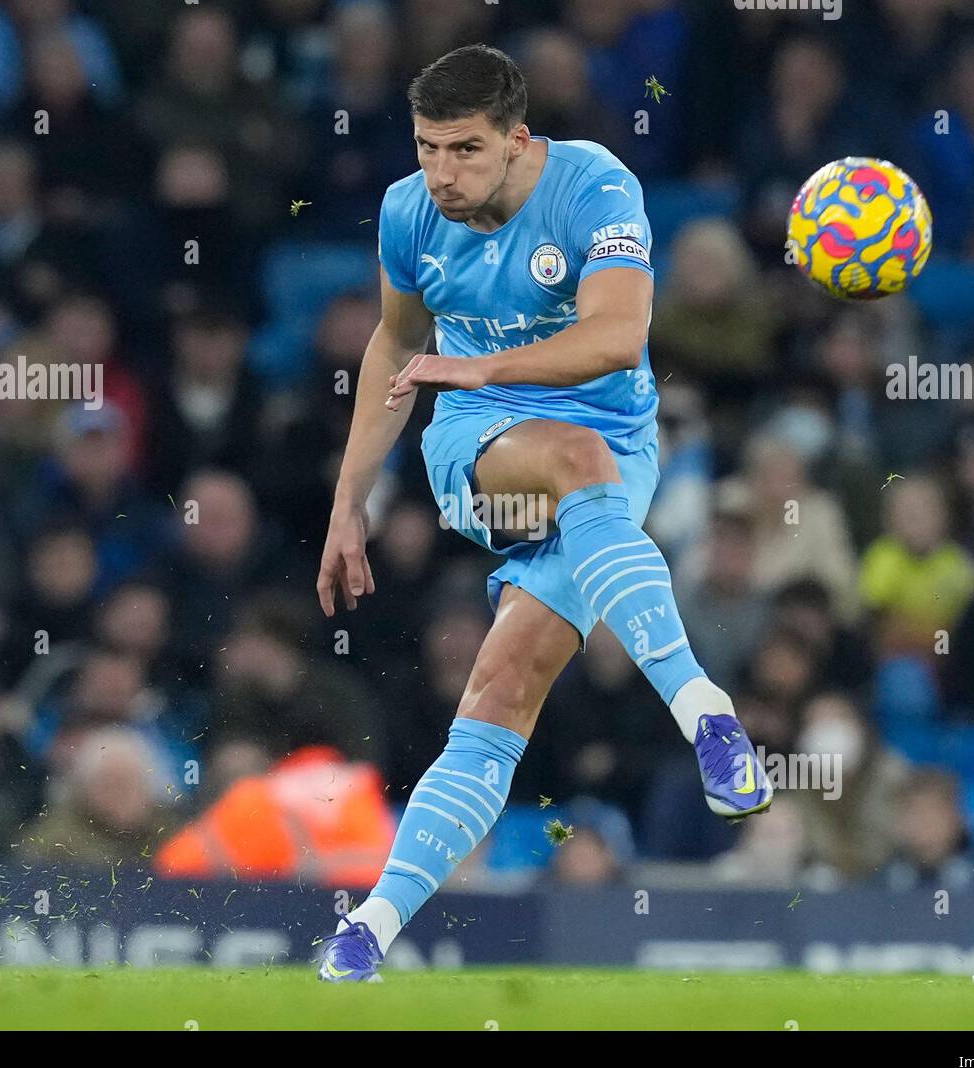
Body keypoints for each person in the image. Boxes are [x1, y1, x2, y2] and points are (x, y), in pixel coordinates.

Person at [314, 44, 771, 982]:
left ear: (518, 141)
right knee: (570, 458)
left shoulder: (594, 189)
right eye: (427, 147)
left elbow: (617, 336)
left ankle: (369, 929)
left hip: (613, 446)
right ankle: (707, 712)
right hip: (478, 445)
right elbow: (395, 346)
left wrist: (480, 361)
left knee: (501, 688)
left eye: (465, 151)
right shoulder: (408, 213)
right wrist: (346, 502)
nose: (441, 173)